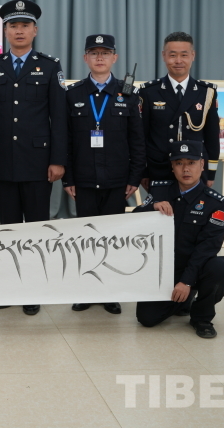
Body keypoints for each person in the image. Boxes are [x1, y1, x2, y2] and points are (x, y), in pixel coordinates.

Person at [0, 0, 67, 316]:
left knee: (36, 227)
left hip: (38, 162)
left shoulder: (50, 66)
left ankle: (33, 288)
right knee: (8, 227)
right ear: (5, 31)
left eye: (25, 25)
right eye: (13, 25)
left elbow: (59, 117)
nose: (19, 30)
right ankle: (9, 285)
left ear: (35, 30)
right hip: (2, 160)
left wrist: (58, 159)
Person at [63, 34, 145, 315]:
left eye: (105, 52)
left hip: (117, 180)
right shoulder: (73, 94)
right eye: (94, 52)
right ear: (85, 58)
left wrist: (134, 178)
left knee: (111, 237)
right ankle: (86, 290)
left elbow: (137, 140)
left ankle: (110, 292)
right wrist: (69, 178)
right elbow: (66, 141)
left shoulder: (129, 94)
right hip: (84, 179)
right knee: (86, 237)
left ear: (114, 58)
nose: (100, 57)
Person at [134, 140, 224, 338]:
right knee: (147, 318)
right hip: (165, 270)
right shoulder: (159, 191)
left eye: (191, 163)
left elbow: (208, 246)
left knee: (219, 270)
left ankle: (202, 317)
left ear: (202, 165)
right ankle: (183, 301)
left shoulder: (214, 202)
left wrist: (187, 281)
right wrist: (151, 207)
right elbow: (132, 220)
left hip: (196, 266)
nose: (185, 169)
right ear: (172, 166)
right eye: (179, 163)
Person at [140, 31, 220, 189]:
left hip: (195, 169)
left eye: (184, 55)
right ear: (164, 56)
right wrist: (143, 171)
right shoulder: (149, 91)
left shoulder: (206, 92)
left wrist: (211, 172)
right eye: (172, 55)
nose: (178, 61)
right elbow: (142, 136)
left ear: (192, 56)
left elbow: (212, 136)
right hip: (159, 168)